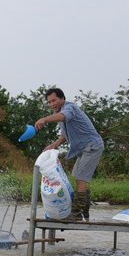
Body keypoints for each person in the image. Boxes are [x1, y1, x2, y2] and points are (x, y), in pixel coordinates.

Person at [35, 88, 104, 221]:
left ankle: (76, 214)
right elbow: (64, 136)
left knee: (81, 179)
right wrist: (54, 145)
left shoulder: (69, 108)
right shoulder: (58, 113)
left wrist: (44, 119)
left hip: (92, 146)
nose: (52, 104)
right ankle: (85, 213)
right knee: (76, 177)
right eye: (49, 102)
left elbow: (63, 116)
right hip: (83, 149)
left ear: (62, 99)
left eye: (54, 100)